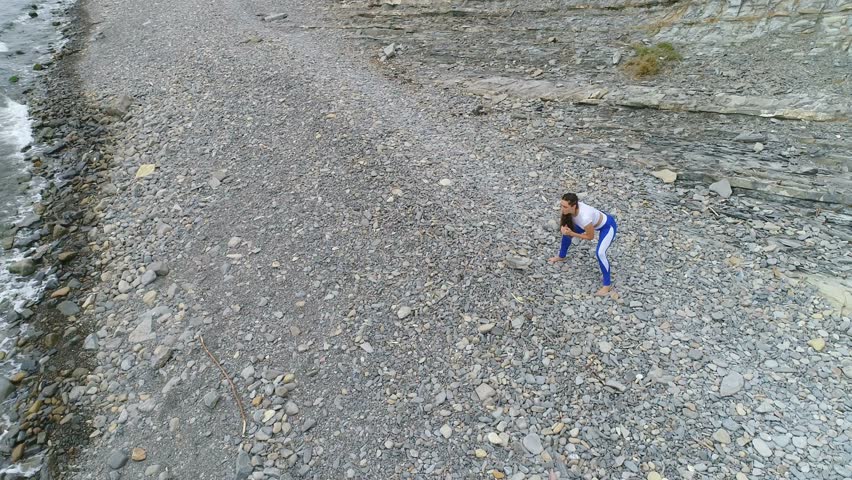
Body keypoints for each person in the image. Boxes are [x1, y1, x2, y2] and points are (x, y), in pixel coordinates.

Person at [548, 193, 618, 296]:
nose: (562, 209)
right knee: (566, 235)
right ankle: (561, 256)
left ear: (574, 206)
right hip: (591, 221)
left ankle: (606, 285)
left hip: (607, 226)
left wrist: (572, 233)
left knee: (600, 253)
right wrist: (565, 229)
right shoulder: (569, 210)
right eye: (561, 205)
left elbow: (590, 237)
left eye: (565, 207)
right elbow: (566, 223)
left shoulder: (584, 217)